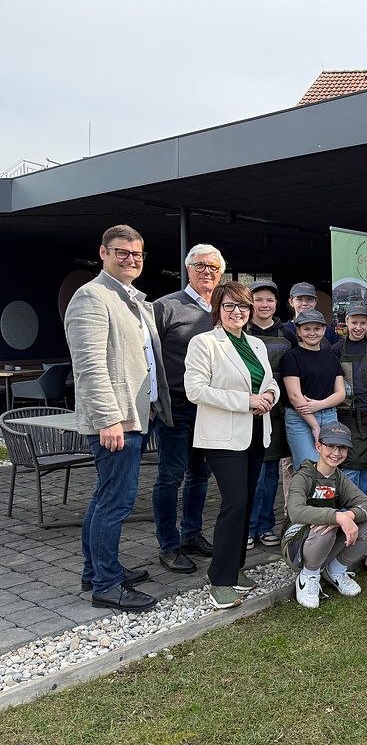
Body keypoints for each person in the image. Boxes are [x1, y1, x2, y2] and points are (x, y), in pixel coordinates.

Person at [65, 224, 171, 611]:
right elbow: (90, 367)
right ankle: (107, 586)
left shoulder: (134, 300)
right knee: (116, 502)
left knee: (105, 497)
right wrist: (110, 420)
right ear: (103, 253)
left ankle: (96, 571)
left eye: (137, 254)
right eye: (121, 252)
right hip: (117, 421)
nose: (131, 259)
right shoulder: (91, 297)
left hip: (138, 417)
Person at [184, 281, 281, 609]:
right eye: (229, 306)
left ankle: (234, 568)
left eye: (243, 306)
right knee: (235, 502)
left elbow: (269, 381)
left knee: (248, 499)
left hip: (255, 433)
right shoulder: (204, 343)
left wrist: (269, 396)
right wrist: (246, 401)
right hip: (223, 437)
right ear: (218, 310)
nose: (237, 312)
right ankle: (220, 580)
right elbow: (195, 390)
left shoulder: (256, 344)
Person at [151, 243, 223, 574]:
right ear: (187, 269)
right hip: (176, 408)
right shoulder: (165, 307)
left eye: (213, 267)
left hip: (209, 408)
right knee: (171, 476)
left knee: (200, 473)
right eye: (200, 266)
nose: (207, 271)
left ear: (221, 271)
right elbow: (148, 357)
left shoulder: (222, 309)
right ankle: (168, 545)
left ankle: (191, 535)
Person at [281, 422, 367, 609]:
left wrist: (349, 516)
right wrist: (337, 517)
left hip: (325, 539)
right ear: (319, 446)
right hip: (296, 544)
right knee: (326, 528)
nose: (336, 453)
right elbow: (295, 511)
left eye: (342, 448)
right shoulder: (304, 475)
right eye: (331, 446)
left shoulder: (339, 478)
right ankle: (308, 576)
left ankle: (336, 569)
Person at [246, 279, 292, 549]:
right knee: (255, 471)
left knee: (271, 470)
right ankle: (249, 527)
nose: (264, 304)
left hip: (279, 412)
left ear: (277, 304)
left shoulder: (288, 333)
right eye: (259, 299)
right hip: (249, 410)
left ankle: (265, 526)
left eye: (269, 300)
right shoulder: (241, 331)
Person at [331, 303, 367, 495]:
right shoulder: (336, 349)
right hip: (345, 415)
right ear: (346, 322)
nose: (358, 327)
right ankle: (349, 509)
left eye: (363, 323)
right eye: (354, 322)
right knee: (349, 466)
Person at [281, 309, 346, 470]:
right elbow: (295, 396)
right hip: (300, 418)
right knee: (308, 468)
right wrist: (315, 426)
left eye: (317, 329)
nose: (312, 333)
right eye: (307, 329)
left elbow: (340, 393)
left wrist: (319, 404)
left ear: (324, 330)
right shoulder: (292, 357)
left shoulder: (331, 357)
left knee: (329, 468)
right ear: (298, 331)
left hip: (329, 416)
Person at [281, 281, 338, 346]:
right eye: (299, 299)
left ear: (315, 302)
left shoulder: (328, 331)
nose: (305, 303)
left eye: (309, 299)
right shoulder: (283, 329)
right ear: (291, 302)